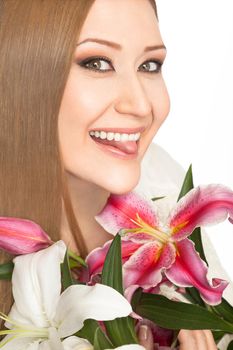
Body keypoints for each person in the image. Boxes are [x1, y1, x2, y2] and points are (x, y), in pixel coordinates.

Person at [0, 0, 226, 348]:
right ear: (20, 73)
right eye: (97, 63)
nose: (140, 105)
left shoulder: (162, 186)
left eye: (150, 65)